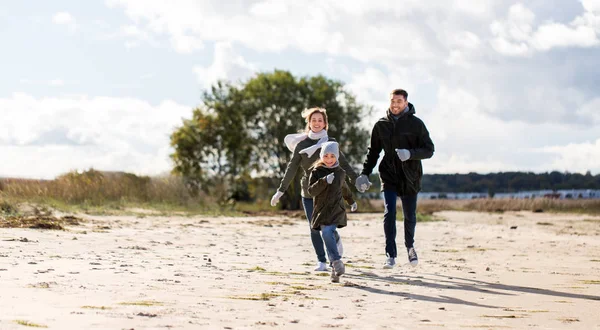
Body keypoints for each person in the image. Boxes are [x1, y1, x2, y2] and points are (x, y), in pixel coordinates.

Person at [271, 107, 358, 272]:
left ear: (325, 123)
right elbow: (291, 168)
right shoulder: (301, 145)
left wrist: (356, 179)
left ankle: (334, 244)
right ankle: (321, 261)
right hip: (309, 191)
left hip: (330, 191)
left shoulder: (330, 142)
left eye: (320, 120)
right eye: (313, 120)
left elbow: (344, 164)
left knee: (327, 225)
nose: (317, 123)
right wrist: (281, 190)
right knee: (314, 226)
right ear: (309, 123)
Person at [355, 88, 434, 269]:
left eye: (399, 101)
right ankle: (390, 255)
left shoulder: (416, 125)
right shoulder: (381, 125)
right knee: (389, 212)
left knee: (409, 215)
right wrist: (365, 173)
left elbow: (429, 150)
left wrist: (410, 154)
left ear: (406, 103)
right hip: (388, 174)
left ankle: (410, 246)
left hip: (410, 176)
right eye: (392, 101)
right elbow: (373, 152)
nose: (395, 104)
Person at [307, 141, 356, 283]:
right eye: (326, 156)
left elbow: (345, 188)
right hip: (321, 211)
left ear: (337, 157)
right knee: (328, 234)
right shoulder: (316, 172)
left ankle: (335, 262)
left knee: (327, 233)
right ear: (322, 156)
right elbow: (311, 191)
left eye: (332, 156)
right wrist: (323, 181)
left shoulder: (340, 172)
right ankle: (335, 270)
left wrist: (351, 201)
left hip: (336, 210)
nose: (329, 159)